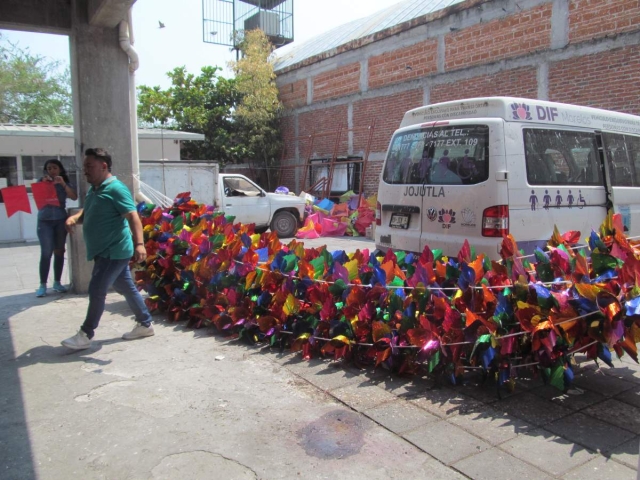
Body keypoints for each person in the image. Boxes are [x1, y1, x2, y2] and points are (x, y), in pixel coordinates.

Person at [61, 148, 154, 350]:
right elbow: (90, 211)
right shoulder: (96, 189)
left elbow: (133, 216)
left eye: (89, 166)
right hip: (104, 251)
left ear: (103, 166)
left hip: (114, 251)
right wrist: (75, 218)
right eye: (85, 166)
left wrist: (140, 244)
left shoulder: (116, 189)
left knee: (97, 289)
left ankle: (86, 334)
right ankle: (145, 324)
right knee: (126, 287)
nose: (85, 170)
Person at [36, 159, 78, 297]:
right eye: (49, 168)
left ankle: (57, 282)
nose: (51, 171)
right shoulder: (41, 182)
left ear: (59, 169)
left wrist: (63, 183)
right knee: (46, 252)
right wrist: (43, 183)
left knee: (59, 251)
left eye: (54, 168)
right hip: (44, 220)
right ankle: (42, 285)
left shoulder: (63, 182)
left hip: (60, 219)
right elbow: (37, 196)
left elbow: (73, 196)